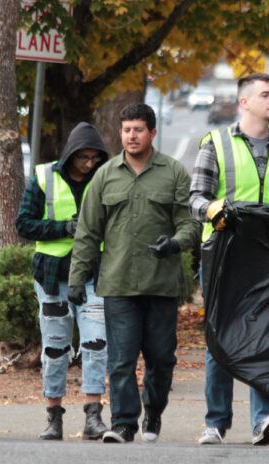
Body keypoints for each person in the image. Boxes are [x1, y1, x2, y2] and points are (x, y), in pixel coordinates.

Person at [68, 103, 200, 444]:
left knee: (160, 359)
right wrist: (77, 279)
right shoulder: (105, 175)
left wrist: (174, 243)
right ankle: (124, 422)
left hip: (161, 284)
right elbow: (87, 231)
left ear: (152, 133)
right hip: (118, 284)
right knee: (121, 360)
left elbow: (190, 224)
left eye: (138, 130)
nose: (131, 136)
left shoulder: (173, 172)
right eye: (126, 130)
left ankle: (153, 410)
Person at [189, 72, 269, 446]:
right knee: (220, 336)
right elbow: (195, 199)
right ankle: (215, 423)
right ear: (245, 103)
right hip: (225, 254)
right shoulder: (216, 144)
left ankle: (263, 419)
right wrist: (213, 211)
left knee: (267, 336)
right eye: (266, 95)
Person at [14, 122, 110, 441]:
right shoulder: (44, 177)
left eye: (95, 158)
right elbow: (24, 224)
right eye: (84, 157)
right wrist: (63, 228)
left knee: (96, 344)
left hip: (94, 274)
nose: (90, 163)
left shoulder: (104, 178)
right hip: (52, 278)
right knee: (55, 350)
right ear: (70, 154)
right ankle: (54, 417)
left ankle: (93, 416)